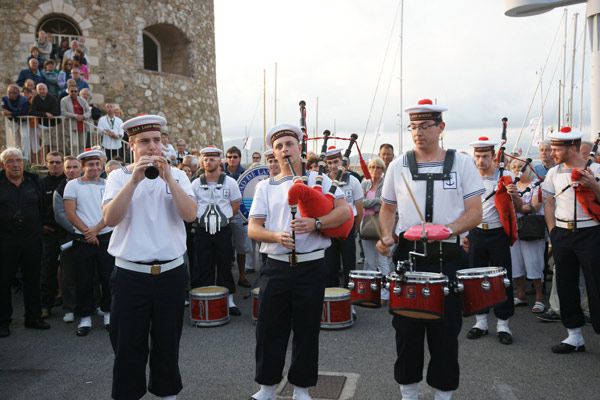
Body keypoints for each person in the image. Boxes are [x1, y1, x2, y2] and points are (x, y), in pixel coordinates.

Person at [376, 99, 484, 399]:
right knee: (406, 331)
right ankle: (408, 393)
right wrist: (387, 236)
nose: (418, 133)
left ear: (441, 127)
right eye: (413, 127)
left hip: (448, 254)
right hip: (408, 255)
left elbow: (475, 212)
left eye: (425, 126)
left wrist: (448, 230)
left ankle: (443, 394)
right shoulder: (398, 165)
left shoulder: (462, 163)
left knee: (446, 334)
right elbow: (387, 210)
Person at [248, 123, 351, 400]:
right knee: (269, 328)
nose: (284, 150)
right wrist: (275, 236)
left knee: (307, 330)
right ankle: (267, 387)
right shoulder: (265, 187)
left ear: (299, 148)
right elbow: (253, 228)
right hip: (276, 265)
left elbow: (343, 213)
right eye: (279, 146)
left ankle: (302, 388)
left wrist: (316, 222)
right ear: (274, 152)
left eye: (289, 145)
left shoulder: (322, 181)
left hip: (312, 265)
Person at [102, 114, 197, 400]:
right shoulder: (118, 177)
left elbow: (190, 214)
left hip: (170, 273)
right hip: (131, 275)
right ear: (132, 145)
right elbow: (110, 219)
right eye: (144, 142)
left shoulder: (178, 175)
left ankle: (168, 394)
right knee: (128, 344)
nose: (153, 147)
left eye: (157, 140)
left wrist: (169, 177)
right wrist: (133, 181)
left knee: (168, 341)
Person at [541, 126, 600, 354]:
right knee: (565, 284)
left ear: (572, 148)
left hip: (590, 232)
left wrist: (593, 184)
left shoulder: (594, 168)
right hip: (563, 233)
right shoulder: (553, 173)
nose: (552, 153)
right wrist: (553, 231)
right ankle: (574, 336)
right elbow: (549, 204)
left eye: (556, 149)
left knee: (596, 284)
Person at [466, 137, 520, 345]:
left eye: (485, 156)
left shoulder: (505, 175)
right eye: (478, 156)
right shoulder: (470, 178)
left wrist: (513, 194)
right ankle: (480, 322)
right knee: (476, 278)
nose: (481, 161)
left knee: (501, 278)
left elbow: (518, 206)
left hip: (497, 233)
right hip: (477, 233)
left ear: (493, 157)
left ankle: (503, 324)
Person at [0, 148, 51, 338]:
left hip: (31, 238)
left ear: (24, 163)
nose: (15, 164)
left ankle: (33, 317)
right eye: (10, 161)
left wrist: (42, 225)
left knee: (33, 278)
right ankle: (3, 321)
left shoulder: (34, 181)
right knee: (4, 280)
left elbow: (44, 206)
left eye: (18, 160)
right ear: (3, 165)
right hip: (5, 239)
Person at [64, 149, 114, 336]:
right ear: (83, 166)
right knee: (83, 279)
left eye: (97, 164)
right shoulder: (73, 185)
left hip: (105, 236)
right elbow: (70, 213)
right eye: (90, 164)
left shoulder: (109, 184)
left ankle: (108, 314)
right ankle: (85, 318)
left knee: (108, 278)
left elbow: (111, 211)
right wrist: (88, 232)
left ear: (101, 165)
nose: (94, 167)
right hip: (82, 239)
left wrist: (96, 229)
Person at [191, 146, 242, 315]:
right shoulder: (196, 183)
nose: (208, 162)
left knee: (224, 264)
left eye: (212, 159)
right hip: (203, 229)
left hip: (222, 229)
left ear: (219, 161)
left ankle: (229, 300)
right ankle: (205, 301)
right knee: (204, 265)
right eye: (205, 159)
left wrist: (225, 220)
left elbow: (235, 205)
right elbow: (192, 205)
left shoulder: (230, 182)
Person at [509, 158, 546, 313]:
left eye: (521, 166)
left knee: (533, 261)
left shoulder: (537, 185)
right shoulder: (512, 186)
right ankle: (521, 294)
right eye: (515, 167)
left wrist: (517, 205)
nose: (518, 169)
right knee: (515, 262)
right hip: (514, 228)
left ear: (528, 168)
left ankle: (539, 297)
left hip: (531, 228)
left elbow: (535, 207)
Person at [325, 146, 364, 290]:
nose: (333, 166)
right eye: (329, 163)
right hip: (329, 228)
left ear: (342, 161)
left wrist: (354, 230)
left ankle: (350, 298)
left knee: (349, 265)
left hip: (348, 228)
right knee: (330, 266)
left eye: (336, 162)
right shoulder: (323, 181)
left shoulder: (353, 181)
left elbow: (359, 210)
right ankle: (332, 298)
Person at [53, 156, 82, 323]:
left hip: (89, 235)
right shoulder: (59, 189)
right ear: (65, 170)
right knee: (68, 275)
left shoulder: (90, 185)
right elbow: (60, 216)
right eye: (69, 167)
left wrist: (91, 231)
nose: (72, 170)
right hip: (69, 237)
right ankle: (69, 308)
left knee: (92, 273)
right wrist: (80, 230)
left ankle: (93, 305)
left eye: (75, 167)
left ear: (81, 168)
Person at [40, 152, 66, 319]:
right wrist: (40, 225)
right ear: (46, 164)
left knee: (70, 269)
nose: (55, 165)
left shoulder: (69, 182)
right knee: (47, 270)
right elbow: (34, 207)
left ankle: (72, 305)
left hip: (67, 232)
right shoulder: (40, 183)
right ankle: (45, 306)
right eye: (52, 162)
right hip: (48, 232)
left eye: (58, 162)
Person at [360, 157, 390, 302]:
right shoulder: (364, 183)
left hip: (382, 224)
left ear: (383, 170)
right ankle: (370, 292)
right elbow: (361, 203)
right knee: (369, 260)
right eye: (372, 167)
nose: (374, 170)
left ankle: (385, 294)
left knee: (382, 260)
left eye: (378, 167)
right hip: (366, 224)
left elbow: (385, 204)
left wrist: (370, 203)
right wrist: (377, 201)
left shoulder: (386, 184)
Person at [224, 146, 253, 287]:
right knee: (224, 248)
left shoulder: (246, 174)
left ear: (240, 158)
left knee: (241, 248)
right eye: (229, 157)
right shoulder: (220, 173)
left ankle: (242, 277)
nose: (232, 159)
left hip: (240, 214)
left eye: (235, 157)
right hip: (224, 214)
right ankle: (226, 278)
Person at [60, 85, 91, 154]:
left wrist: (84, 116)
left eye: (75, 91)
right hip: (72, 125)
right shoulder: (64, 100)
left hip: (83, 125)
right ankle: (74, 159)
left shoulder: (82, 100)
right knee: (74, 145)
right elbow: (63, 112)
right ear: (68, 91)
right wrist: (75, 116)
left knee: (82, 145)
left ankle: (81, 160)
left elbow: (88, 111)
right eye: (72, 91)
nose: (74, 93)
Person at [2, 84, 31, 155]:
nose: (9, 94)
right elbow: (3, 109)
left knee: (25, 137)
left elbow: (24, 112)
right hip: (12, 121)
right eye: (8, 92)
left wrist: (11, 113)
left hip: (23, 121)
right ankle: (17, 155)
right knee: (15, 139)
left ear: (16, 93)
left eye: (11, 92)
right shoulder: (4, 98)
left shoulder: (24, 100)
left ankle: (25, 157)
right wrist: (14, 113)